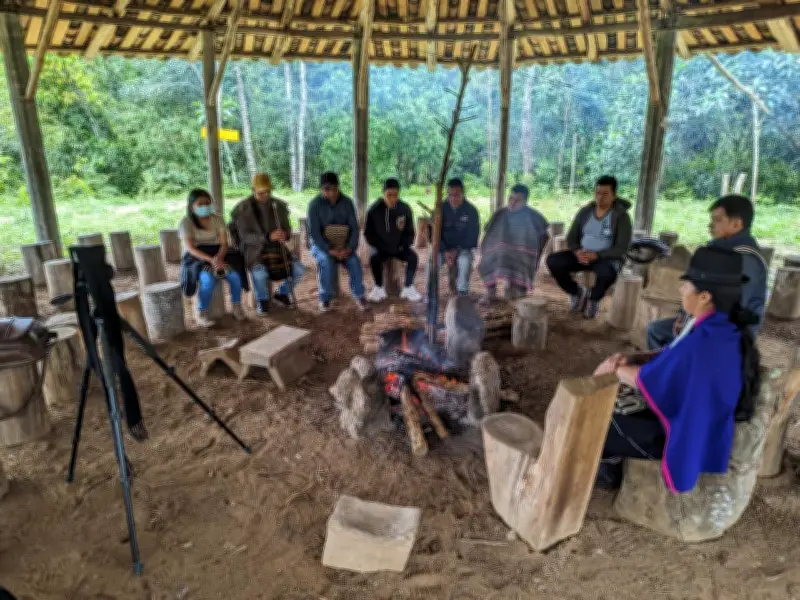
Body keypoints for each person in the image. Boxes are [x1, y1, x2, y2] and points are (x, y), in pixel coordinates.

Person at [593, 246, 760, 491]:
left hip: (689, 431)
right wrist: (633, 357)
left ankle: (609, 469)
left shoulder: (704, 341)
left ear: (704, 296)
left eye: (687, 285)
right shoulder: (721, 325)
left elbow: (654, 381)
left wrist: (616, 369)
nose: (681, 289)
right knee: (616, 401)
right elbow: (672, 357)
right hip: (699, 414)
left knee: (598, 420)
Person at [646, 194, 768, 350]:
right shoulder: (718, 250)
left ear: (736, 224)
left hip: (730, 332)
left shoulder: (745, 260)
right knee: (656, 330)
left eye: (717, 220)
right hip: (704, 318)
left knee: (683, 345)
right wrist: (685, 317)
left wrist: (694, 325)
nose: (710, 225)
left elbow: (731, 309)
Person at [546, 175, 632, 318]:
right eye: (597, 193)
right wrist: (577, 251)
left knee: (608, 274)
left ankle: (593, 299)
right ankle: (576, 292)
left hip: (605, 258)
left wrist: (598, 255)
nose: (600, 197)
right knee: (553, 261)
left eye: (605, 194)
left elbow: (622, 248)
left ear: (614, 195)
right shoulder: (585, 212)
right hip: (582, 254)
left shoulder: (621, 216)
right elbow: (571, 237)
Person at [229, 172, 306, 316]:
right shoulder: (243, 209)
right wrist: (267, 236)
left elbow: (287, 228)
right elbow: (244, 237)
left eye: (268, 192)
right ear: (253, 191)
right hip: (254, 250)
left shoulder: (278, 205)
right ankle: (262, 300)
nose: (265, 195)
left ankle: (282, 294)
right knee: (260, 273)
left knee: (299, 269)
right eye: (261, 192)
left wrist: (285, 234)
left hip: (276, 248)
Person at [178, 189, 246, 328]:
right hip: (197, 256)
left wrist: (219, 258)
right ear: (192, 206)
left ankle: (236, 307)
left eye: (207, 203)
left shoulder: (217, 218)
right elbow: (191, 248)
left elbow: (224, 243)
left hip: (219, 252)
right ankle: (201, 313)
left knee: (235, 277)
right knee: (208, 280)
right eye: (200, 204)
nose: (204, 206)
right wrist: (211, 260)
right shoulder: (186, 222)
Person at [478, 183, 549, 302]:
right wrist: (485, 250)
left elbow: (545, 236)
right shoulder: (500, 213)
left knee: (516, 298)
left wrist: (537, 257)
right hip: (500, 254)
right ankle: (491, 293)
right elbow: (487, 232)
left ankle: (517, 291)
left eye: (517, 200)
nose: (512, 203)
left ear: (525, 201)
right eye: (510, 198)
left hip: (522, 256)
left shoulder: (533, 216)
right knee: (485, 261)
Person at [307, 172, 367, 312]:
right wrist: (329, 249)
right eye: (327, 189)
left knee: (354, 262)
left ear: (338, 187)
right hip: (321, 246)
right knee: (327, 261)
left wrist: (350, 248)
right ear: (321, 189)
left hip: (343, 245)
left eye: (334, 189)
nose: (332, 193)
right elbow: (314, 234)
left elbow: (354, 228)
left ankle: (360, 295)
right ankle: (325, 298)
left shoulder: (347, 202)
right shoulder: (314, 205)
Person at [364, 178, 422, 303]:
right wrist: (380, 246)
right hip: (382, 248)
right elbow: (368, 233)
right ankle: (379, 288)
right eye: (389, 195)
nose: (392, 198)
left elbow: (410, 231)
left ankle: (408, 287)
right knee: (374, 259)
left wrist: (403, 245)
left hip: (399, 248)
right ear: (383, 194)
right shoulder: (373, 210)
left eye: (395, 195)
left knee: (413, 257)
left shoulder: (405, 209)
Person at [429, 178, 480, 297]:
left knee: (465, 261)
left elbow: (473, 237)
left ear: (463, 194)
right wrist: (445, 250)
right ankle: (430, 293)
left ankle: (462, 293)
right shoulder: (439, 209)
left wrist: (456, 250)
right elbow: (433, 234)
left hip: (463, 249)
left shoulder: (471, 211)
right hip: (443, 249)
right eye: (450, 195)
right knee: (431, 263)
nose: (453, 198)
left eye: (457, 195)